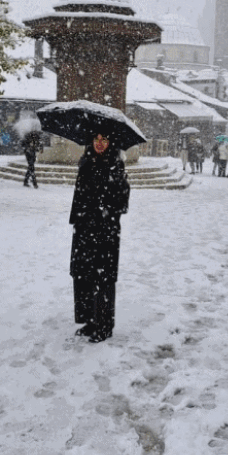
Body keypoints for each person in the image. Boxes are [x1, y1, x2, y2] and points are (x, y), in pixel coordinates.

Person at [70, 131, 130, 343]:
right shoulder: (85, 162)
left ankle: (103, 325)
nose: (100, 143)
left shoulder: (116, 166)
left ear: (111, 143)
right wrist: (79, 218)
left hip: (105, 232)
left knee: (102, 278)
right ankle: (89, 320)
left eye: (104, 139)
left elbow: (122, 201)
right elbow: (79, 196)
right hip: (84, 229)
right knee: (84, 275)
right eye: (96, 139)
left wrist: (104, 208)